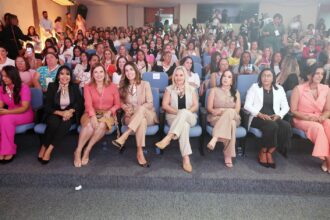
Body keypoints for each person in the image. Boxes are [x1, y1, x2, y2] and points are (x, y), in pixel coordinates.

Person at [74, 64, 120, 167]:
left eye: (101, 72)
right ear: (92, 74)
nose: (98, 75)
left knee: (102, 125)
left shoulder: (112, 86)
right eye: (95, 72)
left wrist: (110, 111)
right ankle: (78, 150)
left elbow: (117, 104)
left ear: (105, 73)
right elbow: (88, 104)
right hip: (91, 111)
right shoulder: (88, 86)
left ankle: (87, 149)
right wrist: (93, 116)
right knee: (90, 125)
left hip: (107, 112)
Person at [112, 62, 158, 167]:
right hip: (130, 116)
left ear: (136, 71)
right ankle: (139, 152)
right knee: (141, 121)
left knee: (142, 110)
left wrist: (138, 109)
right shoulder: (123, 87)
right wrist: (124, 107)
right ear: (124, 73)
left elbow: (150, 103)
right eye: (126, 70)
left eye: (131, 69)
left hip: (148, 114)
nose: (129, 72)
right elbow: (120, 102)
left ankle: (125, 135)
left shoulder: (145, 84)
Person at [244, 68, 292, 168]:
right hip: (257, 117)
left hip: (274, 117)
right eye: (263, 75)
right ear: (260, 77)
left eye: (269, 75)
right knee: (272, 125)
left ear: (273, 77)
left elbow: (286, 107)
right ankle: (263, 151)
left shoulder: (279, 88)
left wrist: (279, 115)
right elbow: (247, 105)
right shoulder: (255, 87)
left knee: (286, 126)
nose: (266, 78)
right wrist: (260, 114)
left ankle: (270, 152)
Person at [155, 66, 199, 173]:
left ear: (185, 76)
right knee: (183, 125)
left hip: (190, 117)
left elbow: (195, 106)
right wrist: (179, 113)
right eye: (176, 75)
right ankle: (186, 159)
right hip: (173, 117)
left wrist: (184, 112)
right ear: (173, 77)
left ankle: (169, 137)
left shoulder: (191, 89)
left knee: (184, 112)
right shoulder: (169, 89)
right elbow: (165, 106)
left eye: (181, 75)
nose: (178, 77)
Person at [38, 65, 83, 164]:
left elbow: (79, 103)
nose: (64, 76)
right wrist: (60, 113)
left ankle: (49, 149)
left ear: (71, 76)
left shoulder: (74, 87)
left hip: (69, 114)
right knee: (53, 123)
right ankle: (43, 146)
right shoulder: (52, 86)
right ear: (58, 76)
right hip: (55, 112)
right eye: (62, 74)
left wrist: (71, 111)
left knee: (65, 123)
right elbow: (47, 106)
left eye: (67, 74)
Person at [291, 64, 330, 173]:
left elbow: (328, 110)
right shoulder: (298, 89)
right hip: (302, 119)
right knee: (318, 128)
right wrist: (308, 118)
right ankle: (328, 160)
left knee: (329, 124)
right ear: (309, 75)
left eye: (322, 74)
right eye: (317, 73)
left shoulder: (326, 89)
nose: (320, 76)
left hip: (319, 117)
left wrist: (322, 117)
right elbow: (293, 111)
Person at [207, 70, 241, 167]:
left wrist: (222, 110)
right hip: (217, 118)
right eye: (224, 76)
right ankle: (228, 156)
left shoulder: (236, 92)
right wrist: (216, 111)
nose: (226, 78)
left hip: (233, 116)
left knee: (231, 112)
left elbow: (237, 110)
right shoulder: (214, 90)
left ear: (232, 81)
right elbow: (209, 108)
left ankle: (215, 137)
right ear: (221, 78)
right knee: (232, 124)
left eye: (229, 77)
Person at [0, 66, 34, 163]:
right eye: (2, 76)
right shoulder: (2, 88)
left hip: (25, 114)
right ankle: (3, 148)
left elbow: (25, 107)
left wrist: (7, 112)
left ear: (13, 76)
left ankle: (8, 150)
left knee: (6, 119)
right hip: (9, 114)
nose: (3, 78)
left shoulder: (24, 87)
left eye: (6, 76)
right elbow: (1, 106)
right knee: (4, 118)